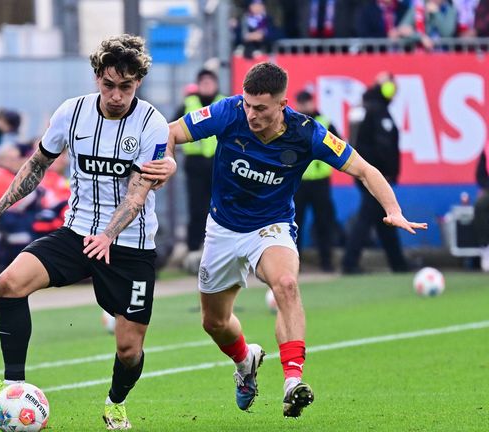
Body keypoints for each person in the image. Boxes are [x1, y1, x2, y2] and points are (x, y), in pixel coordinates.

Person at [141, 62, 426, 418]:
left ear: (282, 104)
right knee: (214, 322)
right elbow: (169, 131)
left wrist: (393, 209)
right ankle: (246, 362)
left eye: (260, 108)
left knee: (287, 284)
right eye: (247, 104)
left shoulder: (308, 133)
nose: (251, 114)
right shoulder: (227, 111)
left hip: (272, 226)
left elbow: (364, 169)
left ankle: (293, 381)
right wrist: (165, 160)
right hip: (223, 229)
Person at [0, 34, 170, 430]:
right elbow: (37, 164)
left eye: (125, 87)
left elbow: (138, 192)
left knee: (128, 349)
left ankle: (115, 403)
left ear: (137, 83)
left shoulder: (152, 124)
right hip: (76, 234)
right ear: (96, 78)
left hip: (130, 246)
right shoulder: (71, 114)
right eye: (109, 85)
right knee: (10, 281)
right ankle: (12, 387)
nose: (116, 95)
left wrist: (108, 235)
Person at [342, 73, 410, 274]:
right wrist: (386, 173)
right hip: (375, 175)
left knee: (386, 220)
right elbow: (384, 146)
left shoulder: (364, 107)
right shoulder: (377, 111)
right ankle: (349, 263)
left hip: (365, 172)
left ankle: (398, 263)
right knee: (366, 219)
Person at [176, 69, 225, 267]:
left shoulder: (224, 103)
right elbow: (171, 130)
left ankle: (222, 252)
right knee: (196, 210)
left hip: (219, 164)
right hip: (195, 165)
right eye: (203, 82)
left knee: (221, 208)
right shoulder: (188, 104)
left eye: (210, 82)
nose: (207, 85)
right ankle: (193, 252)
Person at [293, 89, 340, 272]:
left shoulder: (324, 122)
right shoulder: (292, 123)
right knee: (295, 224)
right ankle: (294, 263)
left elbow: (340, 147)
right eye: (301, 102)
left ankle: (326, 262)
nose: (304, 106)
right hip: (299, 181)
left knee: (324, 222)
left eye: (307, 102)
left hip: (321, 182)